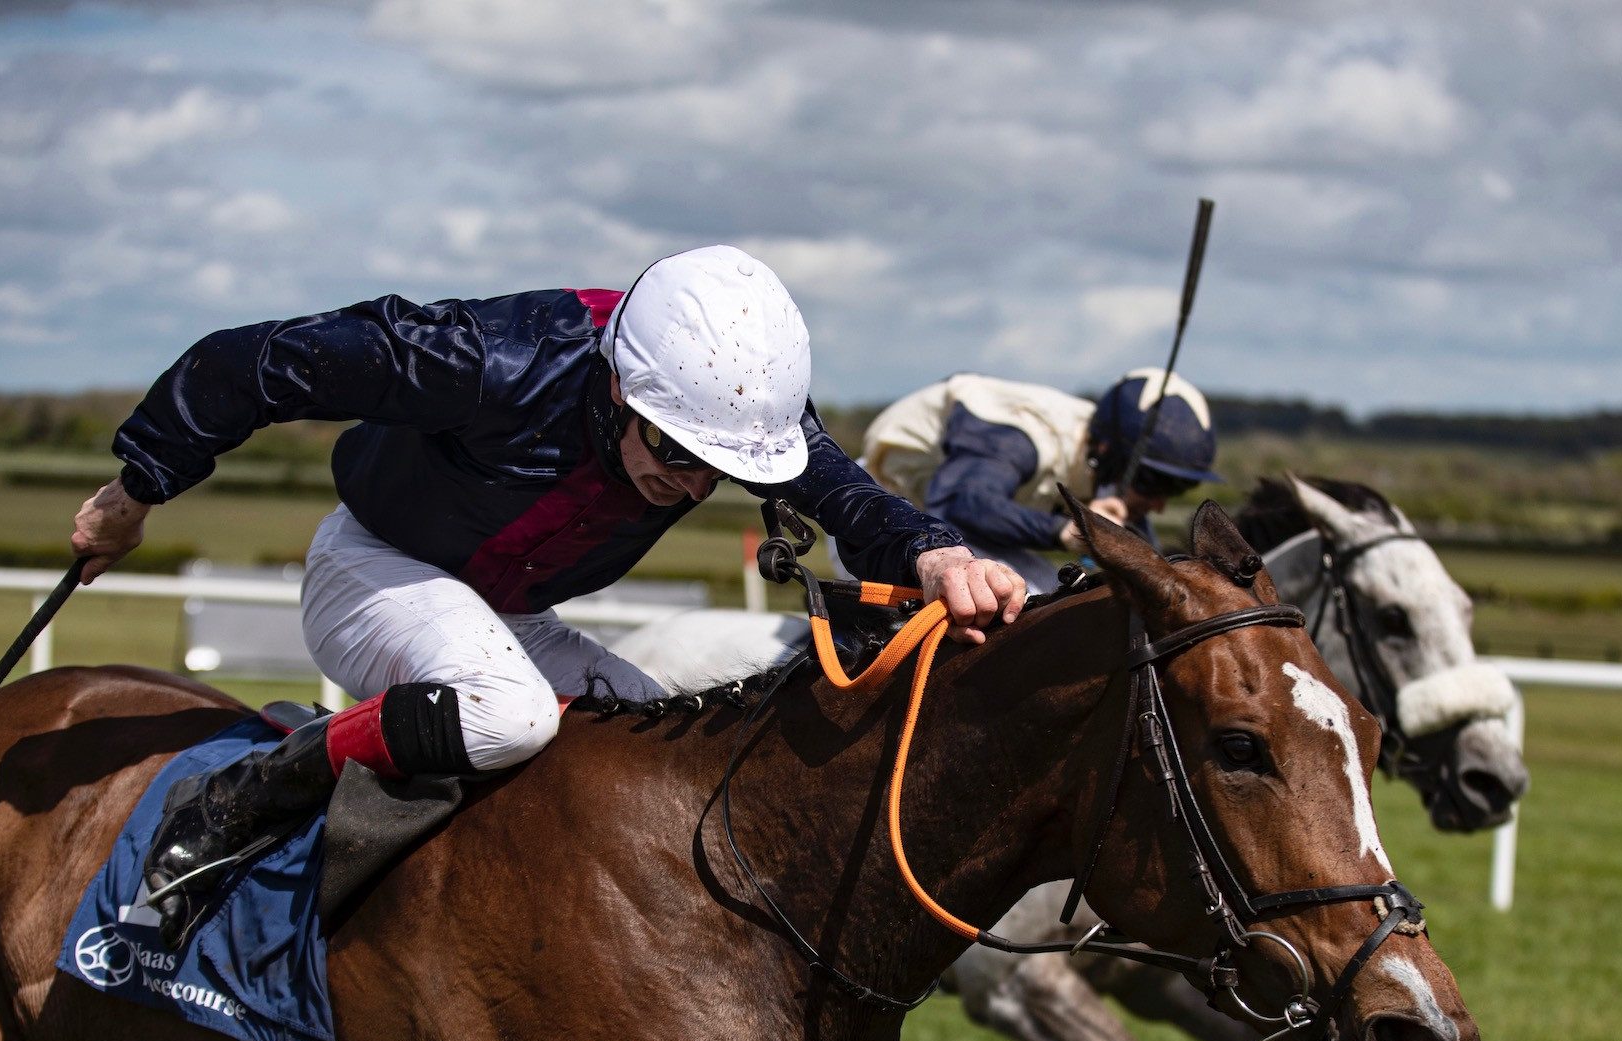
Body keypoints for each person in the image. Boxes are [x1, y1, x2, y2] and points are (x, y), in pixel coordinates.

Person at [71, 245, 1027, 948]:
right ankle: (250, 792)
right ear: (618, 386)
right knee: (510, 714)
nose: (691, 487)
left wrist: (939, 553)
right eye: (676, 453)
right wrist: (135, 491)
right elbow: (253, 363)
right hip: (375, 567)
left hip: (508, 614)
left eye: (718, 470)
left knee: (682, 750)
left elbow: (849, 496)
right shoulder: (482, 359)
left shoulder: (737, 397)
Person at [859, 368, 1222, 594]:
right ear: (1111, 451)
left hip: (948, 524)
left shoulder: (1108, 461)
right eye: (1155, 482)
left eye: (1177, 490)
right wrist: (1069, 533)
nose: (1159, 503)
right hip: (879, 513)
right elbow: (959, 501)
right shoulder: (1023, 439)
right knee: (1032, 596)